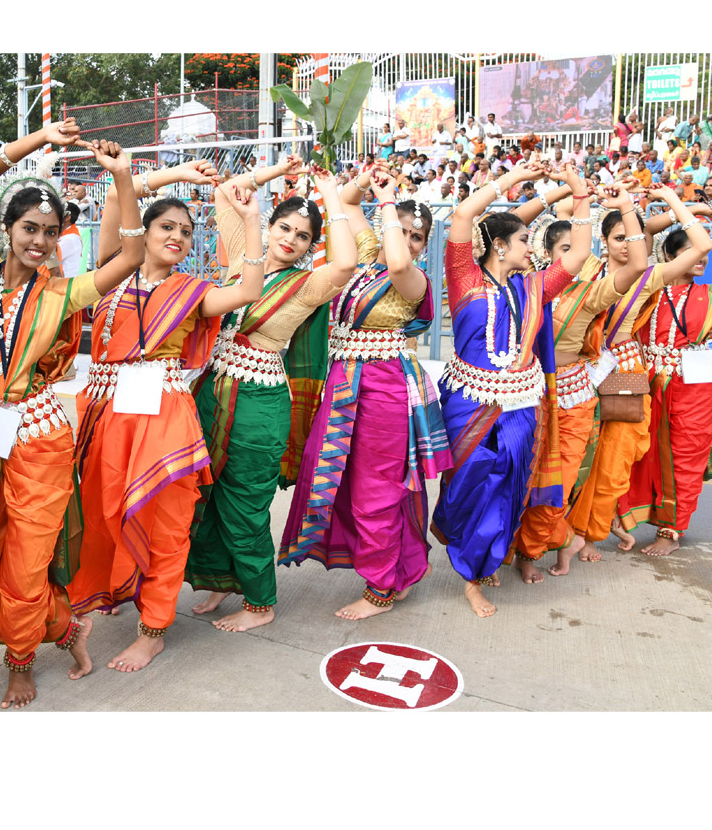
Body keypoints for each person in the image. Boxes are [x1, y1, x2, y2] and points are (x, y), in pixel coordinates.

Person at [0, 139, 146, 709]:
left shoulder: (64, 293)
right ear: (6, 228)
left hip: (41, 438)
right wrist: (36, 142)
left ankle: (19, 662)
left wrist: (122, 178)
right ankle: (65, 628)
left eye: (50, 232)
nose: (40, 241)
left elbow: (130, 258)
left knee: (26, 561)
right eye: (29, 228)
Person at [66, 159, 265, 670]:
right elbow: (116, 199)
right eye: (166, 226)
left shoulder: (192, 292)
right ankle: (116, 587)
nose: (177, 235)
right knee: (104, 514)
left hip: (164, 419)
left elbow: (246, 292)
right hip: (107, 415)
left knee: (166, 525)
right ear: (144, 231)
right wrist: (171, 175)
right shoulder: (112, 270)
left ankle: (153, 628)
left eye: (185, 230)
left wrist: (251, 221)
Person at [186, 156, 360, 631]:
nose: (289, 238)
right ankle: (223, 580)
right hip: (210, 391)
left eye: (302, 236)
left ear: (309, 245)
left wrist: (329, 193)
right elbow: (226, 193)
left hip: (259, 404)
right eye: (284, 226)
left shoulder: (306, 285)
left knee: (244, 502)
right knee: (204, 495)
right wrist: (270, 173)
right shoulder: (247, 251)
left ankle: (260, 603)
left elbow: (346, 262)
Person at [279, 168, 451, 618]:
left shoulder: (413, 281)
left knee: (378, 487)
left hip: (383, 387)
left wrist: (389, 200)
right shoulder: (369, 254)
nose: (409, 241)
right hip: (345, 384)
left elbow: (397, 262)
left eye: (419, 237)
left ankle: (381, 586)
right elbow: (352, 205)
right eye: (405, 233)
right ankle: (405, 565)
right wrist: (354, 183)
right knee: (347, 480)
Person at [430, 162, 592, 617]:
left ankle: (475, 573)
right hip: (470, 404)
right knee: (469, 487)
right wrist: (510, 178)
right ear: (499, 246)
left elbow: (577, 257)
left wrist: (577, 193)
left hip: (521, 406)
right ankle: (471, 553)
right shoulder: (464, 277)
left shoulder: (532, 288)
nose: (531, 246)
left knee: (507, 489)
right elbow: (463, 217)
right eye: (523, 239)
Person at [567, 188, 712, 560]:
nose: (625, 246)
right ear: (603, 241)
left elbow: (699, 245)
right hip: (581, 368)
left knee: (614, 457)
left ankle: (590, 530)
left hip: (625, 369)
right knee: (577, 451)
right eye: (617, 239)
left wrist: (678, 204)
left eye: (629, 239)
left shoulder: (646, 277)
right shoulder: (588, 269)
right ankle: (566, 527)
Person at [510, 186, 648, 580]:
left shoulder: (593, 293)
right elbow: (501, 231)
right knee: (520, 478)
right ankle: (525, 547)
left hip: (572, 397)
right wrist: (556, 190)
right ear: (549, 254)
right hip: (526, 393)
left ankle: (532, 552)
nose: (577, 255)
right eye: (567, 248)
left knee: (557, 484)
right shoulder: (525, 286)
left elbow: (638, 266)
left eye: (581, 248)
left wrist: (624, 208)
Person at [616, 192, 712, 555]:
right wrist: (681, 204)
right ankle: (627, 517)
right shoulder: (646, 288)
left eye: (706, 256)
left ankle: (670, 532)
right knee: (638, 452)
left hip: (695, 389)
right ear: (670, 257)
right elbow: (644, 230)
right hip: (646, 384)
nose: (702, 261)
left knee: (686, 456)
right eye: (694, 254)